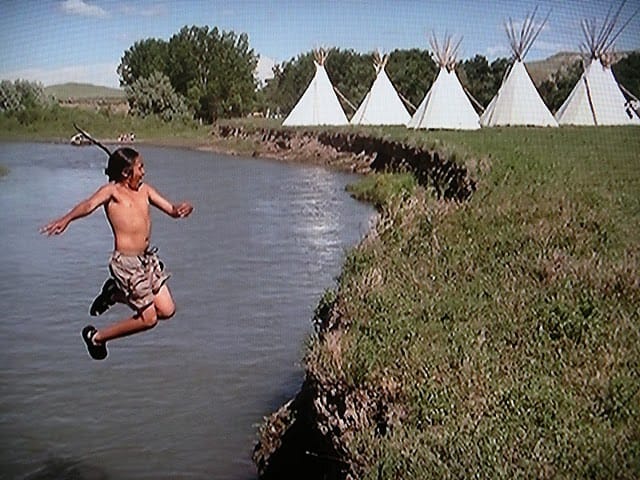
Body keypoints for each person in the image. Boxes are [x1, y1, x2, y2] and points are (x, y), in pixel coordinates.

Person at [41, 146, 194, 360]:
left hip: (147, 260)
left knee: (167, 310)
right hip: (127, 264)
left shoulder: (145, 190)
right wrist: (66, 219)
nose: (144, 171)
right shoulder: (112, 192)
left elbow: (171, 209)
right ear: (125, 172)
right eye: (140, 167)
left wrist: (181, 209)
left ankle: (113, 294)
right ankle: (96, 337)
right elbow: (88, 205)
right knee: (149, 319)